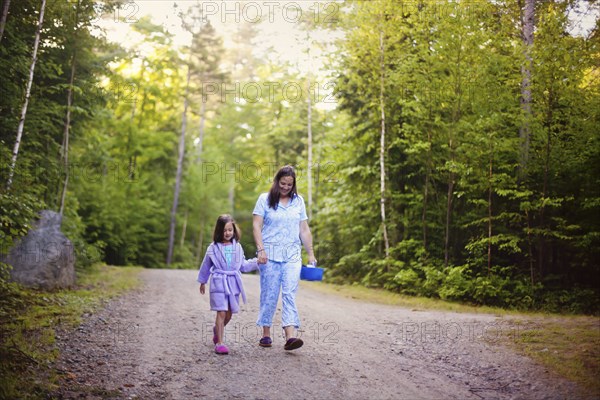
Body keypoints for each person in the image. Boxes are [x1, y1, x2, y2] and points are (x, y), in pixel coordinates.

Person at [252, 165, 316, 351]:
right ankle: (266, 334)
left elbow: (304, 230)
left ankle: (290, 336)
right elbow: (256, 226)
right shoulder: (264, 199)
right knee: (269, 294)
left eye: (289, 184)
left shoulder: (298, 201)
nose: (286, 187)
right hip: (269, 255)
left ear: (293, 184)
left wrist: (310, 253)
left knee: (289, 293)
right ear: (276, 181)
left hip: (292, 255)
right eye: (283, 183)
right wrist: (261, 249)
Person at [197, 214, 258, 355]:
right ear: (219, 231)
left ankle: (217, 330)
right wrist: (202, 281)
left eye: (230, 230)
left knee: (229, 314)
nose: (227, 233)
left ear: (234, 230)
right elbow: (206, 265)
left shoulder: (238, 247)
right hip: (219, 281)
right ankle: (219, 343)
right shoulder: (213, 248)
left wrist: (257, 262)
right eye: (224, 230)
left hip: (233, 283)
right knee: (221, 312)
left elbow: (242, 265)